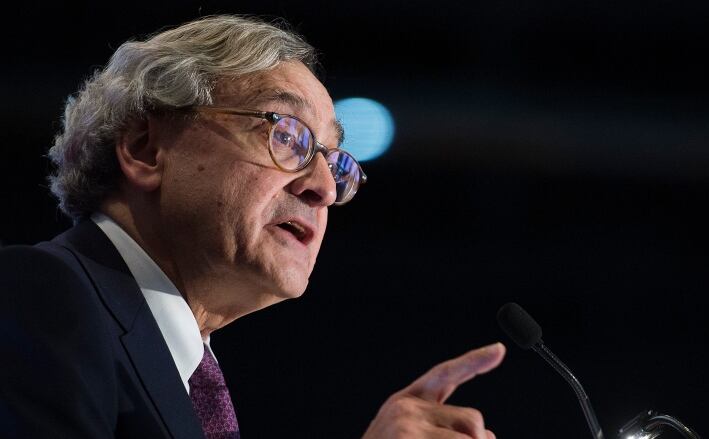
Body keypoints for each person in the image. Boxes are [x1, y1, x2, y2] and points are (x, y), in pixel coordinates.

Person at [0, 15, 505, 439]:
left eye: (334, 160)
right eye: (287, 133)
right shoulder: (38, 297)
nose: (324, 188)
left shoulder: (186, 374)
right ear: (145, 149)